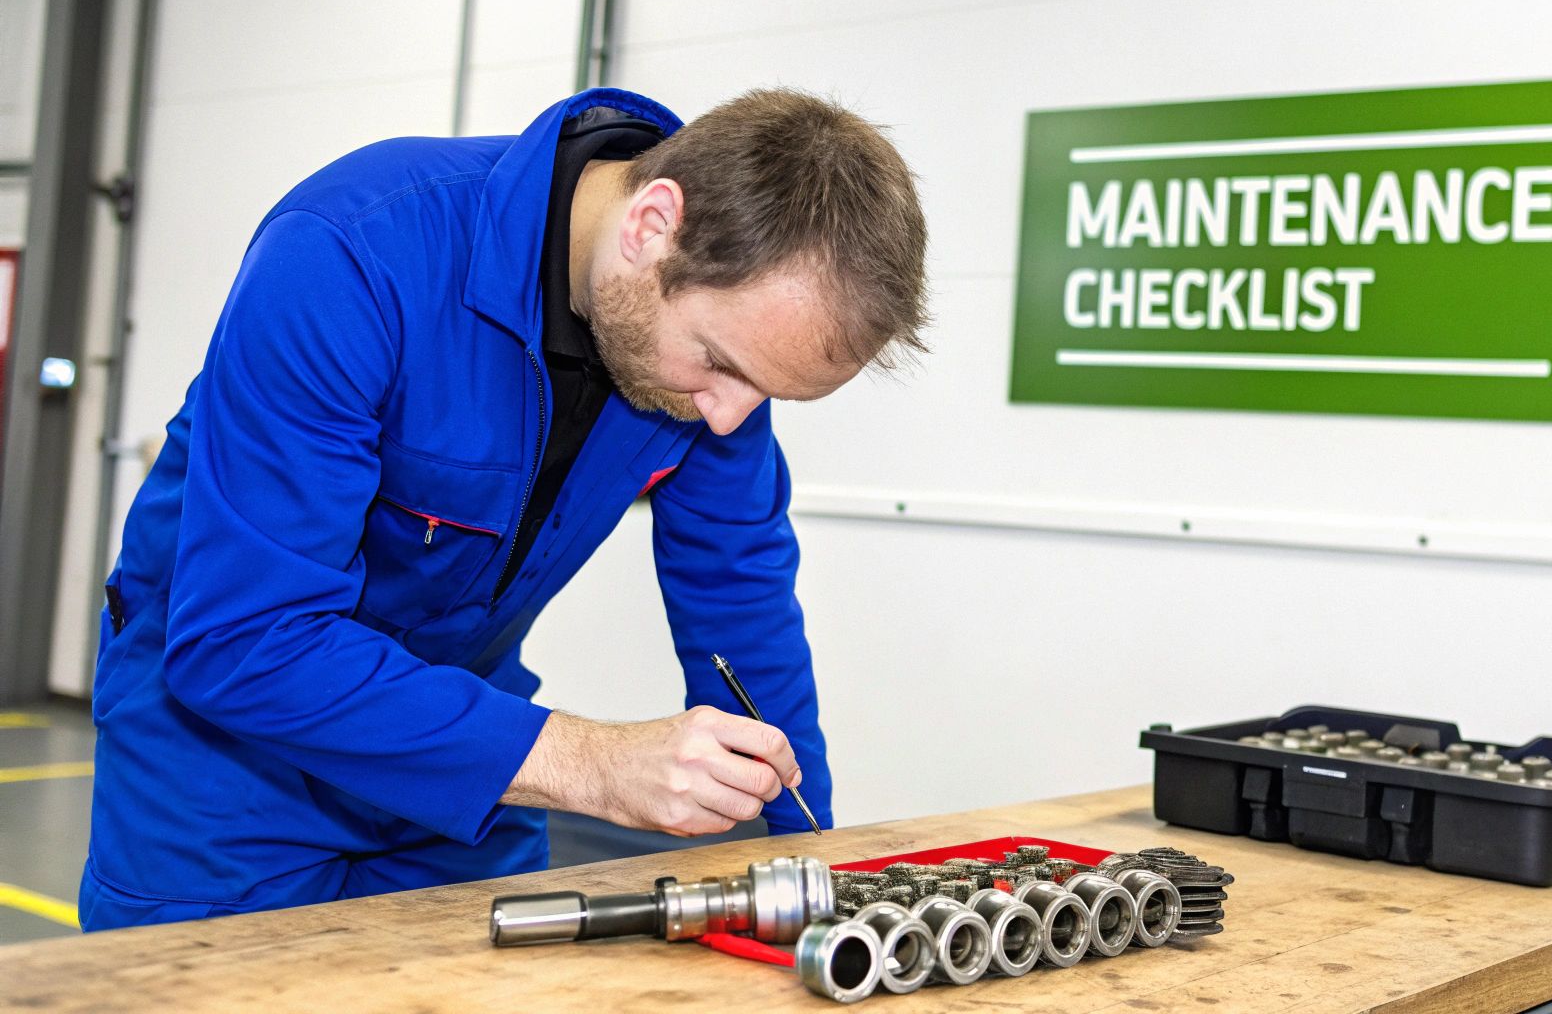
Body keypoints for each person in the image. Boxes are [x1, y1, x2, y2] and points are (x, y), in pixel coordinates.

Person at [80, 86, 928, 930]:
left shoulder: (718, 356)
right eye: (721, 364)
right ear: (652, 225)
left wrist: (806, 855)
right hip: (227, 767)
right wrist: (591, 763)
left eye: (767, 392)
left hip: (462, 764)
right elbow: (244, 638)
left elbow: (739, 600)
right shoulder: (354, 252)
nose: (729, 419)